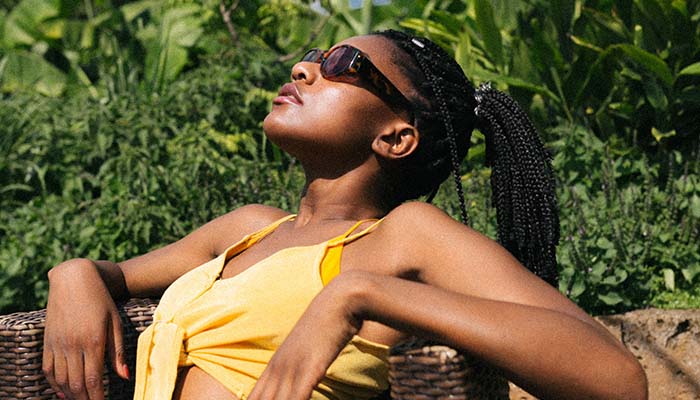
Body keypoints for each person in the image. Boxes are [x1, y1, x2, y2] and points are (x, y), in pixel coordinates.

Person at [42, 30, 647, 400]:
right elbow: (112, 275)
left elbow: (616, 379)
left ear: (396, 137)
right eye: (311, 57)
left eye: (343, 67)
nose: (303, 69)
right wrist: (71, 272)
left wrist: (359, 295)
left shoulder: (405, 236)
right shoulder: (247, 227)